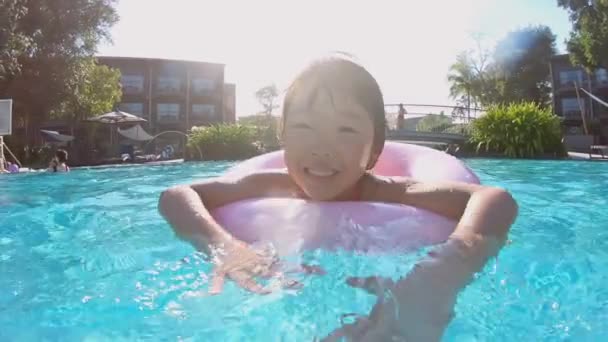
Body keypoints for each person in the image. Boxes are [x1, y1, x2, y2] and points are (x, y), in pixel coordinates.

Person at [158, 54, 518, 340]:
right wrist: (224, 246)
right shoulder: (273, 183)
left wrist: (439, 276)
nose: (321, 147)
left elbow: (495, 199)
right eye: (303, 127)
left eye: (345, 129)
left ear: (375, 150)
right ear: (282, 135)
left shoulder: (388, 189)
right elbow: (177, 195)